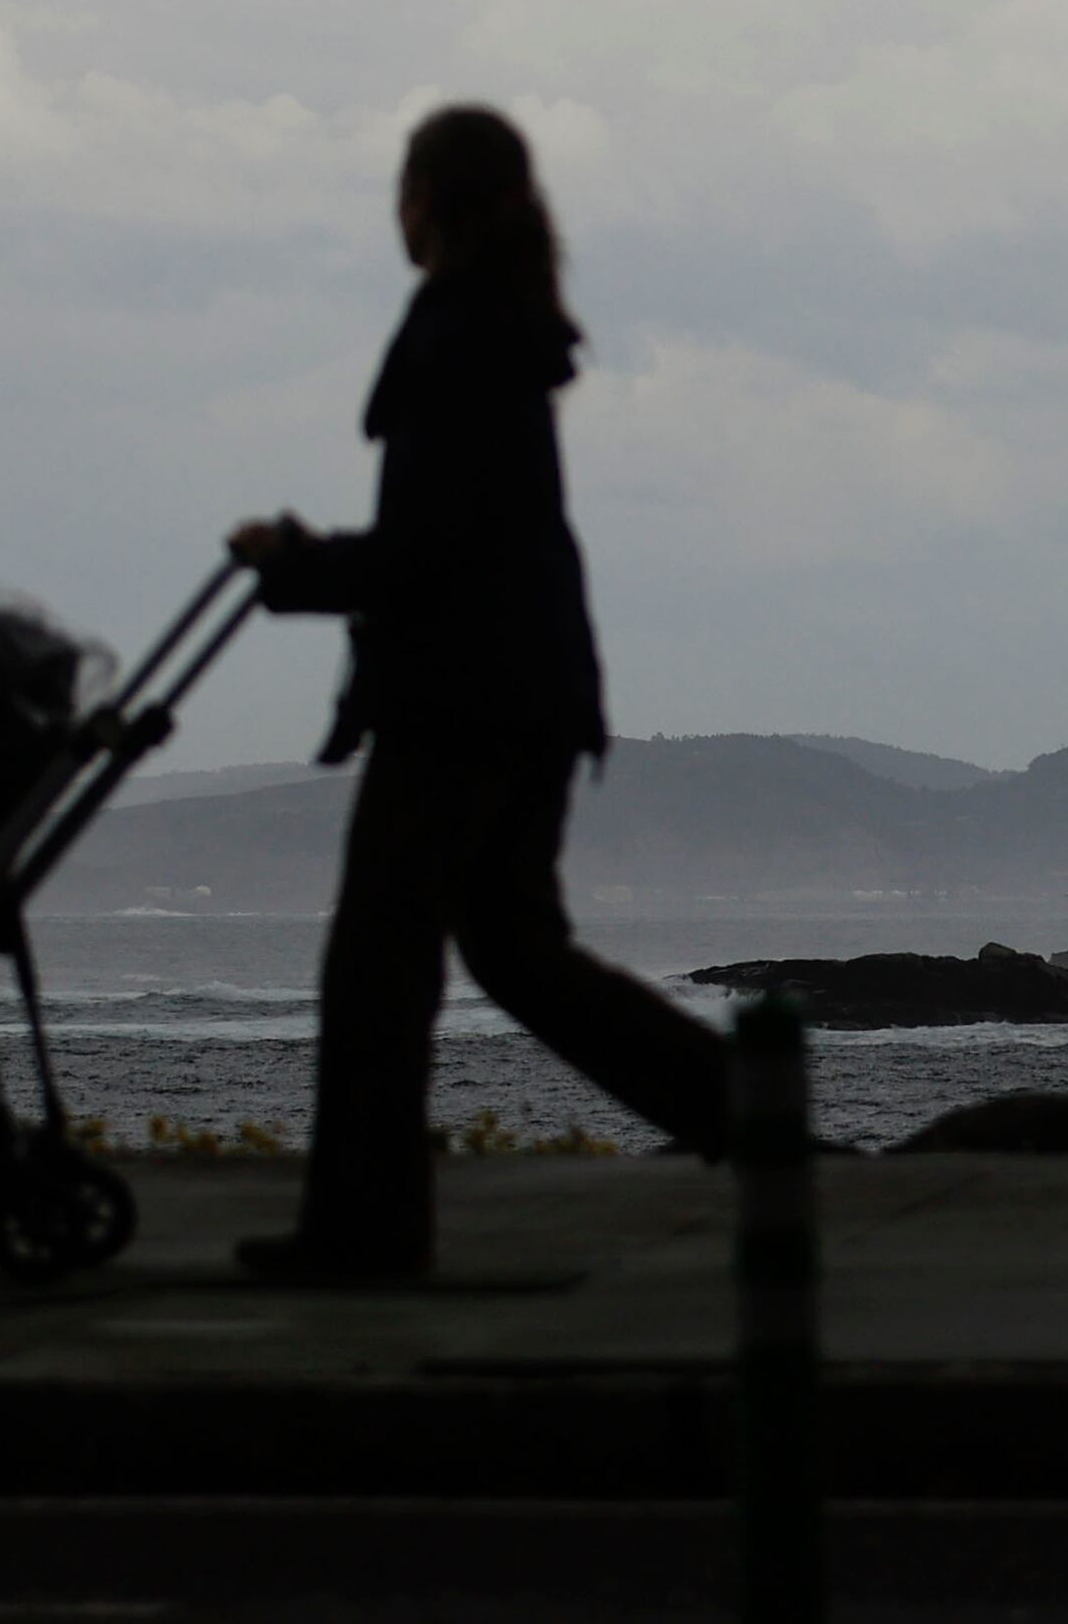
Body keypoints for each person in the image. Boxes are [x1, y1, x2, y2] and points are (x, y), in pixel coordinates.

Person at [226, 104, 728, 1283]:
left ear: (426, 204)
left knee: (376, 972)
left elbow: (428, 553)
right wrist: (320, 561)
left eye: (402, 191)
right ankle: (749, 1115)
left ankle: (363, 1231)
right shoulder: (500, 330)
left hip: (460, 705)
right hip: (529, 692)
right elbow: (455, 535)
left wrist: (298, 571)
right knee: (515, 949)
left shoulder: (455, 334)